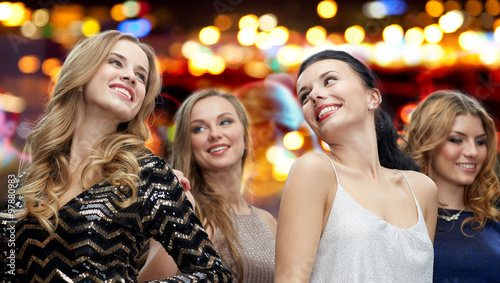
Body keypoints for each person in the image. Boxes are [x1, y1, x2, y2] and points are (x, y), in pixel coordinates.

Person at [0, 30, 232, 282]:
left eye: (141, 76)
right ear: (80, 76)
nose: (131, 76)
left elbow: (214, 274)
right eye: (116, 62)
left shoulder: (148, 173)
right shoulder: (28, 180)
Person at [274, 50, 439, 282]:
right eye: (304, 95)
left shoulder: (422, 189)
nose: (314, 96)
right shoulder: (314, 170)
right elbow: (291, 278)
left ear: (372, 97)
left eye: (329, 80)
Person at [139, 89, 276, 282]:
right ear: (188, 145)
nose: (215, 134)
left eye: (225, 122)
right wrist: (179, 216)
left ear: (246, 136)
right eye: (199, 128)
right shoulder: (184, 211)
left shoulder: (268, 221)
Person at [402, 90, 500, 282]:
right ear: (426, 142)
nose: (473, 151)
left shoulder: (493, 227)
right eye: (456, 139)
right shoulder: (398, 220)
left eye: (480, 142)